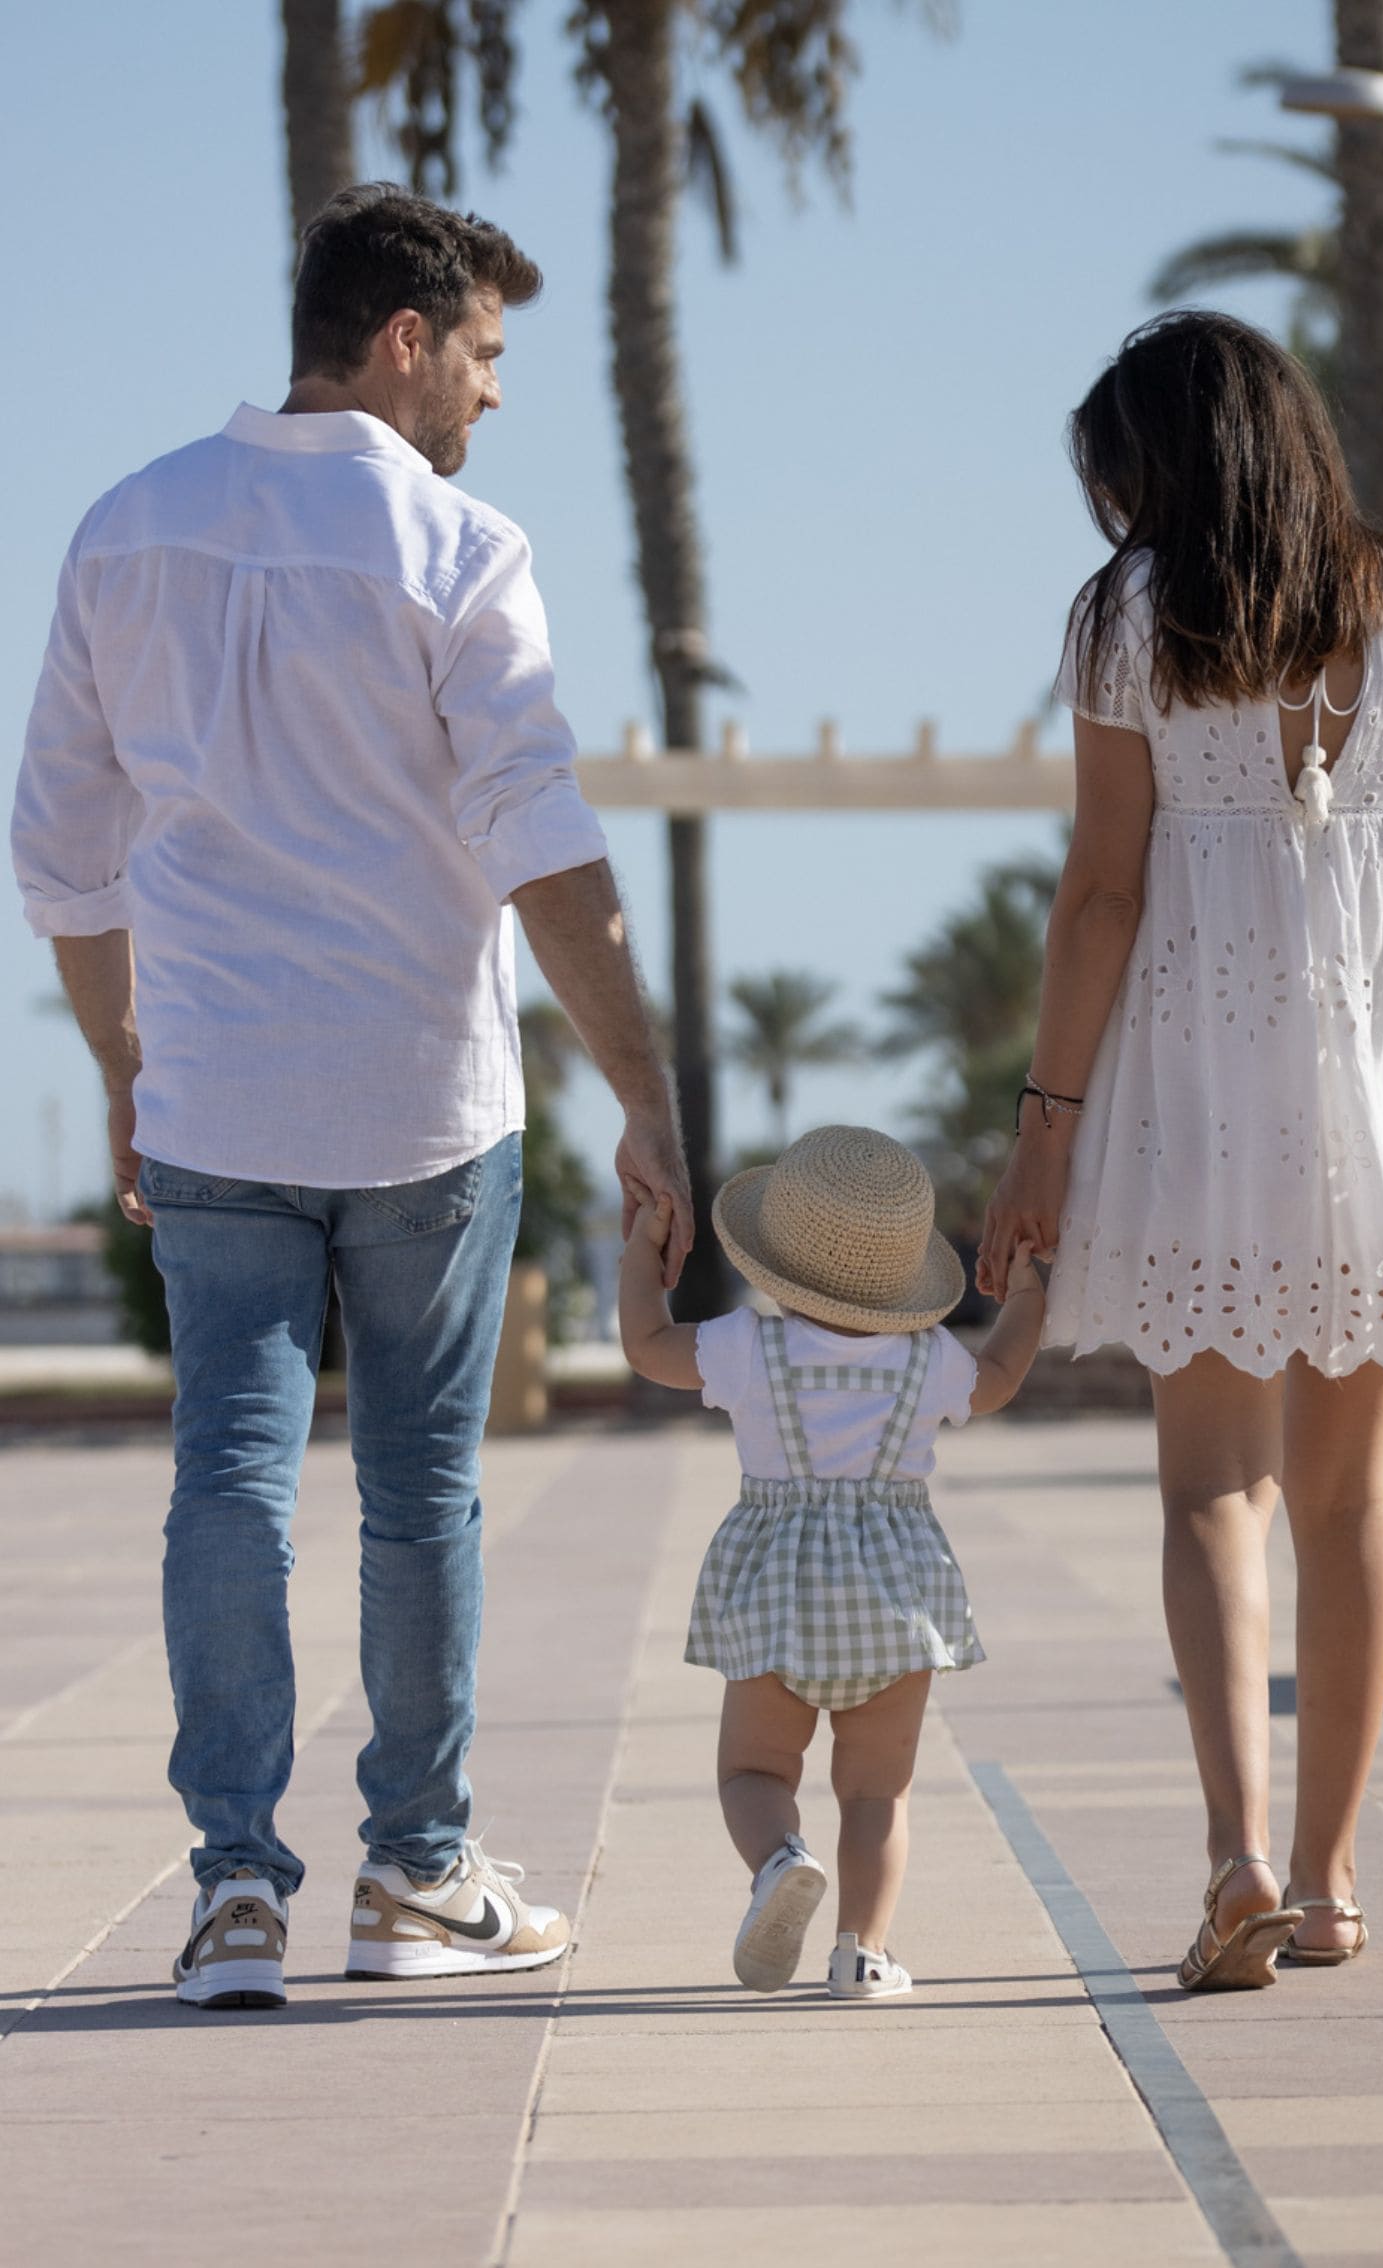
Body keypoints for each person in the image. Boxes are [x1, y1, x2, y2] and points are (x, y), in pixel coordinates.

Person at [11, 183, 691, 2010]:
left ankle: (235, 1892)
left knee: (227, 1479)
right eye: (484, 352)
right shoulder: (459, 548)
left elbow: (61, 851)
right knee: (418, 1490)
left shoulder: (125, 527)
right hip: (422, 1107)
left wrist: (124, 1065)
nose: (493, 391)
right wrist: (645, 1096)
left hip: (214, 1101)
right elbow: (540, 836)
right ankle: (414, 1872)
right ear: (404, 341)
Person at [979, 311, 1383, 1991]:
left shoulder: (1128, 617)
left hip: (1199, 1088)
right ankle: (1326, 1882)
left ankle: (1236, 1856)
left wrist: (1040, 1136)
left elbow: (1102, 894)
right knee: (1346, 1497)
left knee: (1211, 1488)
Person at [621, 1125, 1045, 1999]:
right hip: (892, 1601)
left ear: (778, 1262)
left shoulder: (747, 1347)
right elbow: (1001, 1375)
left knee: (753, 1771)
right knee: (878, 1793)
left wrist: (641, 1252)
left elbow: (646, 1344)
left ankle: (779, 1860)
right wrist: (1030, 1291)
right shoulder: (930, 1359)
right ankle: (864, 1954)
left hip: (777, 1597)